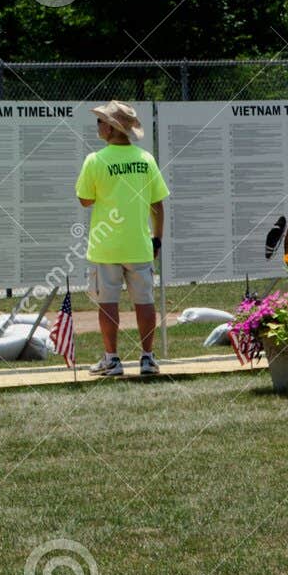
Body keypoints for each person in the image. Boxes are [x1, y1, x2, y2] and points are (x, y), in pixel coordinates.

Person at [76, 101, 169, 375]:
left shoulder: (95, 160)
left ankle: (112, 359)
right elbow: (157, 205)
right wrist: (158, 239)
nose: (98, 126)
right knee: (145, 302)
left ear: (111, 127)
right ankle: (148, 358)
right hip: (140, 244)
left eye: (100, 122)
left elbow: (85, 200)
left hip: (106, 246)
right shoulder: (145, 159)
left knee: (107, 303)